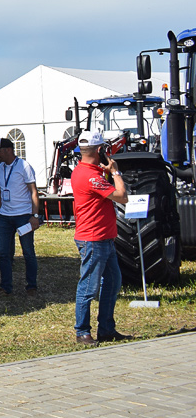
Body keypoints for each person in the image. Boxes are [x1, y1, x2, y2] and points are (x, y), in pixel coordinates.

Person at [71, 130, 130, 345]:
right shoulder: (91, 177)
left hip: (101, 237)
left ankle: (106, 329)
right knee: (89, 287)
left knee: (113, 281)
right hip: (94, 239)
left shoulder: (83, 171)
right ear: (99, 150)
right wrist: (115, 172)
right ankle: (82, 331)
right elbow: (122, 196)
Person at [0, 137, 41, 295]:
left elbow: (34, 192)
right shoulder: (0, 168)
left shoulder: (24, 166)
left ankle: (31, 285)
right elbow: (1, 191)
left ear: (7, 150)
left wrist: (34, 215)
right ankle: (6, 286)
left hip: (23, 216)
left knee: (28, 252)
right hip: (5, 217)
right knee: (3, 253)